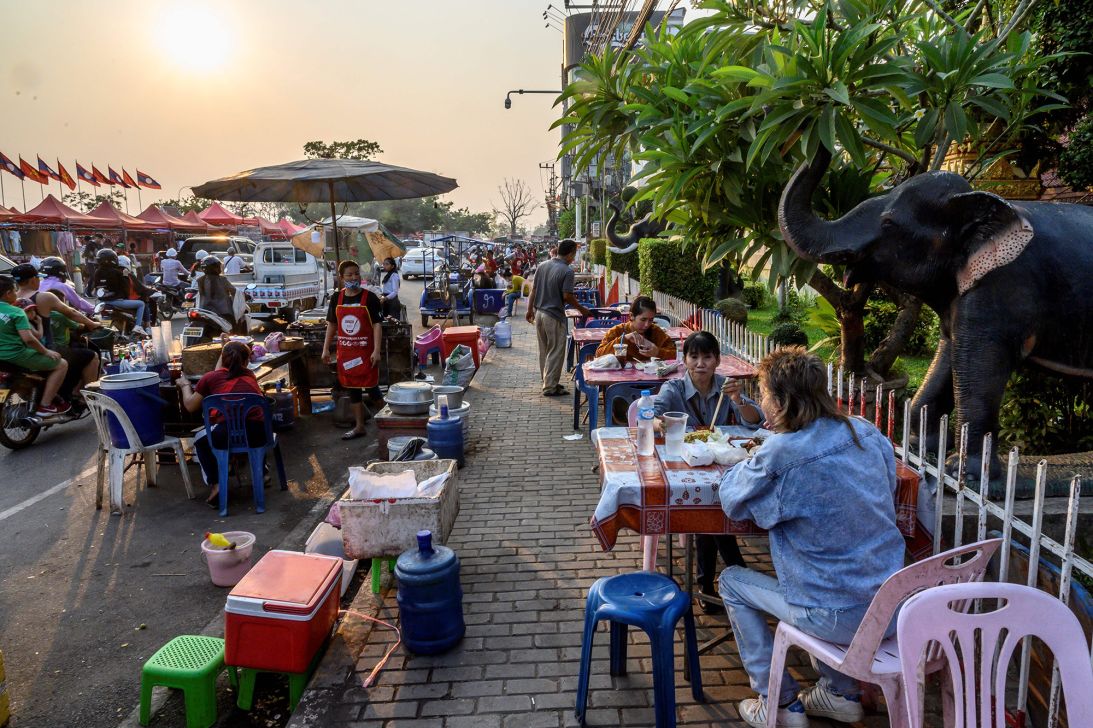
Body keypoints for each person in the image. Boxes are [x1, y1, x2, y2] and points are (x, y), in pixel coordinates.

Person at [716, 347, 905, 728]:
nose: (764, 402)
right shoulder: (865, 432)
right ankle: (840, 693)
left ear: (782, 400)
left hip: (835, 614)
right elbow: (887, 490)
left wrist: (758, 457)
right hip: (892, 608)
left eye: (766, 395)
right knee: (821, 576)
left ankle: (779, 702)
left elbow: (731, 500)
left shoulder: (782, 452)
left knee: (732, 581)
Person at [653, 330, 763, 612]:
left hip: (721, 461)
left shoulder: (727, 388)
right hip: (687, 464)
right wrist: (658, 424)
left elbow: (753, 423)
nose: (700, 363)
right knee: (709, 512)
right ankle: (732, 571)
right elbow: (652, 415)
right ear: (685, 360)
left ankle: (708, 582)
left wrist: (739, 400)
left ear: (716, 361)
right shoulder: (673, 389)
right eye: (694, 356)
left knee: (710, 512)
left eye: (707, 357)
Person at [176, 341, 267, 507]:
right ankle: (262, 472)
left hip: (225, 435)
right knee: (243, 427)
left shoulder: (210, 378)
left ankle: (217, 484)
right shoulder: (249, 375)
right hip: (258, 435)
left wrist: (184, 386)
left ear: (223, 359)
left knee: (201, 443)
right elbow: (223, 371)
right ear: (246, 362)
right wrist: (226, 344)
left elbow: (190, 405)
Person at [12, 263, 102, 403]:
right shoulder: (43, 297)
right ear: (32, 280)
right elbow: (71, 312)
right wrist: (92, 324)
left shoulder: (10, 300)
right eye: (38, 278)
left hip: (21, 350)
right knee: (91, 356)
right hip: (47, 348)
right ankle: (89, 400)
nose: (39, 281)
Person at [322, 260, 383, 440]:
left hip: (366, 353)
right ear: (341, 278)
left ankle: (389, 421)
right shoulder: (336, 298)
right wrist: (326, 348)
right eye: (349, 275)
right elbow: (332, 324)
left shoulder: (370, 298)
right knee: (352, 388)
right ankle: (359, 426)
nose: (354, 277)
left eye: (356, 273)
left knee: (373, 390)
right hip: (347, 353)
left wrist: (377, 350)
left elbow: (377, 325)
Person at [525, 239, 590, 396]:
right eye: (574, 254)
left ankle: (548, 381)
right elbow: (567, 296)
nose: (574, 258)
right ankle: (550, 386)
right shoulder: (567, 271)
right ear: (569, 254)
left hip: (539, 313)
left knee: (544, 350)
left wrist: (529, 310)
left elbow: (533, 290)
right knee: (556, 350)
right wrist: (582, 309)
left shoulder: (542, 265)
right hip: (553, 315)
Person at [0, 275, 70, 416]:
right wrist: (46, 352)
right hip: (15, 355)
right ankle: (45, 405)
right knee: (61, 364)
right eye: (14, 291)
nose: (16, 294)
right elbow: (29, 339)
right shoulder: (16, 312)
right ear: (8, 294)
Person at [594, 296, 677, 362]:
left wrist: (658, 352)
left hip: (651, 379)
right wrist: (624, 339)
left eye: (651, 320)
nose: (647, 325)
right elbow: (598, 355)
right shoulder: (616, 331)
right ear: (631, 316)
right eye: (643, 319)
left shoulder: (655, 331)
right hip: (621, 380)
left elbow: (676, 354)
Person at [91, 249, 148, 336]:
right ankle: (138, 326)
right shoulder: (117, 272)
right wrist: (125, 276)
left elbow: (94, 287)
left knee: (103, 321)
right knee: (141, 304)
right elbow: (126, 287)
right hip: (117, 301)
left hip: (102, 302)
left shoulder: (97, 272)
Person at [196, 256, 239, 330]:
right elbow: (233, 291)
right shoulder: (222, 280)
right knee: (234, 323)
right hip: (221, 310)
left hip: (204, 309)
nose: (219, 268)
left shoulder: (200, 280)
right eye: (217, 266)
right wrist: (245, 295)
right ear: (213, 268)